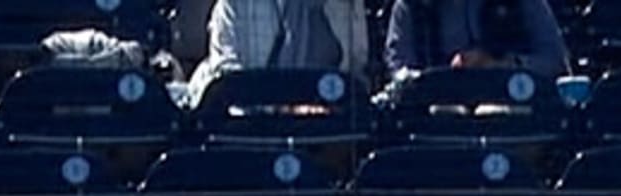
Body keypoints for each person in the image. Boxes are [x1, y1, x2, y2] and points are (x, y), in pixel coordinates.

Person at [188, 0, 371, 105]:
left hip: (319, 125)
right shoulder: (233, 4)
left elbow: (354, 68)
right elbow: (227, 73)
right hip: (253, 125)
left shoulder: (343, 5)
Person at [384, 0, 568, 78]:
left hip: (512, 103)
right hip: (438, 116)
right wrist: (441, 78)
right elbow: (400, 73)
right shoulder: (410, 7)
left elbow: (554, 61)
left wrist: (504, 63)